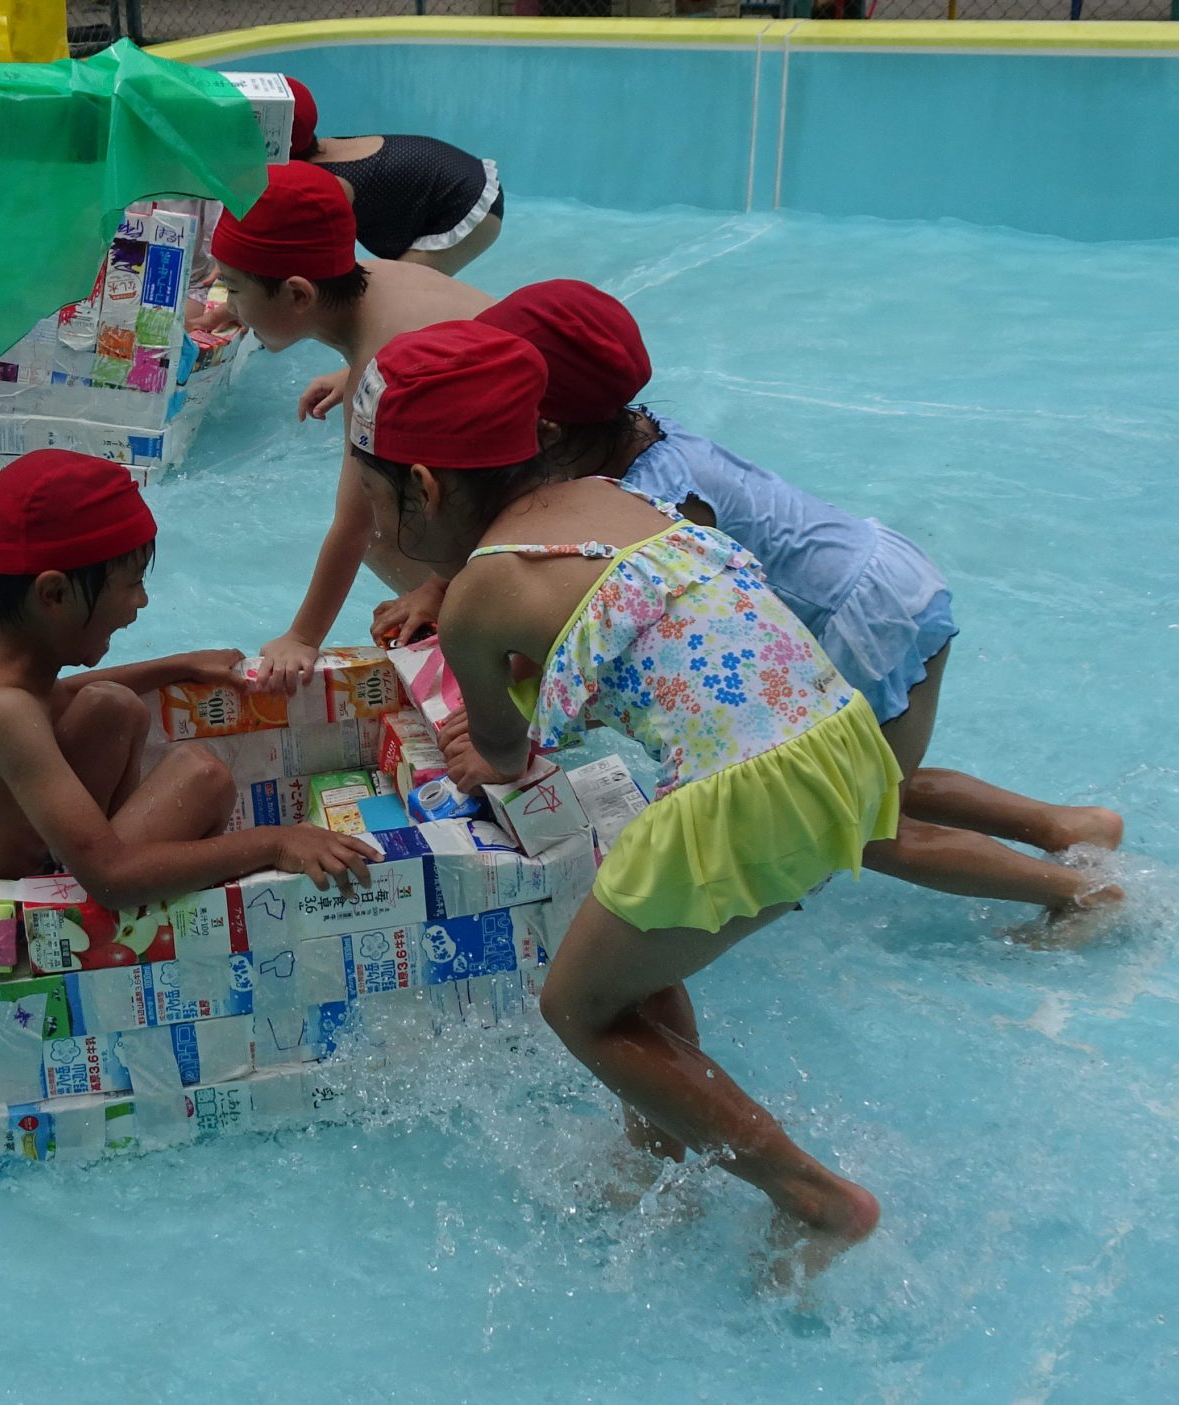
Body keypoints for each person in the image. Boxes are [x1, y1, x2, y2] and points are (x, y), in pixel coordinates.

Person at [349, 320, 901, 1275]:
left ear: (425, 490)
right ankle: (657, 1145)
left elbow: (503, 748)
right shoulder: (616, 497)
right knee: (631, 957)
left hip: (745, 791)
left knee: (577, 1007)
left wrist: (485, 749)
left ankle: (817, 1200)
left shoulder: (480, 594)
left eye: (373, 499)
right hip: (841, 743)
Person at [393, 279, 1117, 923]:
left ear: (544, 430)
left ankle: (1078, 892)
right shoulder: (629, 443)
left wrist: (510, 720)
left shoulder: (654, 494)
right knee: (869, 779)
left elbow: (607, 630)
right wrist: (446, 587)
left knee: (864, 823)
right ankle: (1067, 825)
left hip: (859, 619)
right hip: (883, 580)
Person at [0, 450, 379, 906]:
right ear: (54, 594)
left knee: (112, 707)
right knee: (203, 778)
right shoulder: (2, 712)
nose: (141, 602)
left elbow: (61, 696)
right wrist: (277, 842)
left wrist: (179, 665)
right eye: (131, 584)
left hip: (0, 872)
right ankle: (138, 869)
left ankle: (115, 846)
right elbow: (112, 880)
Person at [204, 160, 491, 692]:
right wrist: (347, 369)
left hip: (552, 493)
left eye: (234, 290)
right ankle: (451, 591)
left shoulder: (381, 373)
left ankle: (476, 621)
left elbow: (356, 525)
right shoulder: (381, 278)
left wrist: (302, 638)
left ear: (298, 295)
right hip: (584, 445)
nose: (228, 306)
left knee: (388, 530)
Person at [285, 76, 502, 277]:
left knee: (396, 290)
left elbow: (325, 263)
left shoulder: (326, 183)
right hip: (463, 180)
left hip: (470, 208)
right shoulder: (324, 147)